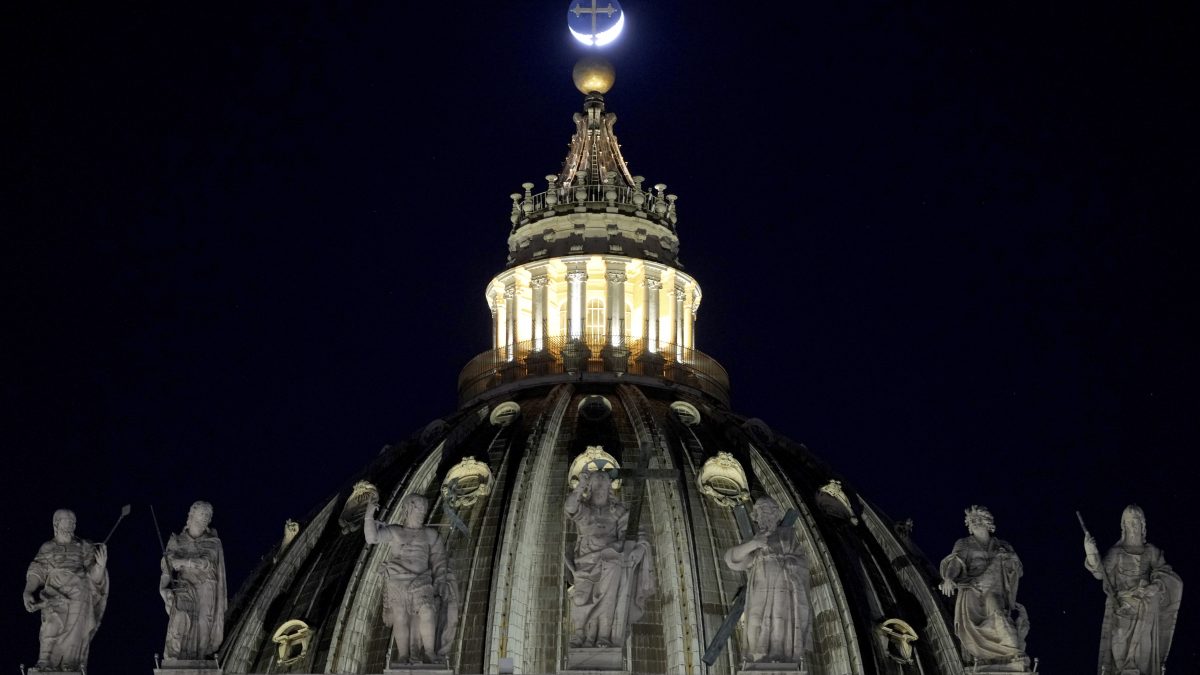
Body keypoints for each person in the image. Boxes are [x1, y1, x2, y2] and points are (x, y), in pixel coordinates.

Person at [1083, 505, 1182, 675]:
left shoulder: (1152, 551)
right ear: (1124, 526)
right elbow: (1100, 573)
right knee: (1119, 644)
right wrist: (1091, 552)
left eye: (1136, 523)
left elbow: (1167, 575)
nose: (1133, 527)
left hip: (1146, 608)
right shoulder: (1116, 553)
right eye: (1129, 523)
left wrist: (1155, 586)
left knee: (1144, 648)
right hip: (1122, 608)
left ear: (1143, 526)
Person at [564, 469, 653, 648]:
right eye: (595, 485)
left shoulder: (618, 512)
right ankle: (580, 635)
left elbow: (634, 533)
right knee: (579, 599)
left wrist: (638, 549)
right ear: (589, 488)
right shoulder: (584, 510)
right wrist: (580, 486)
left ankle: (603, 636)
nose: (599, 489)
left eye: (603, 485)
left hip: (611, 562)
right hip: (585, 562)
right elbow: (570, 508)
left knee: (609, 598)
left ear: (609, 489)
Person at [364, 494, 457, 664]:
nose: (422, 511)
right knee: (400, 617)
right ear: (407, 509)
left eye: (424, 508)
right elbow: (372, 538)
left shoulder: (430, 535)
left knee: (428, 611)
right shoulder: (395, 531)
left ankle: (429, 652)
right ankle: (403, 655)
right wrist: (369, 516)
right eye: (418, 508)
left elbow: (439, 561)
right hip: (397, 581)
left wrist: (441, 581)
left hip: (421, 580)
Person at [723, 497, 812, 664]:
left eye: (771, 511)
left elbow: (802, 562)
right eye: (762, 512)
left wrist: (791, 563)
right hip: (760, 586)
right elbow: (732, 559)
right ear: (756, 516)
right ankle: (758, 656)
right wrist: (753, 544)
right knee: (756, 620)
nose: (767, 515)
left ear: (777, 515)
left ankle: (779, 656)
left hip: (784, 587)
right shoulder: (754, 540)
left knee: (779, 623)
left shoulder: (788, 537)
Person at [938, 505, 1028, 666]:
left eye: (978, 519)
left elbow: (1017, 569)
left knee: (999, 615)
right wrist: (948, 578)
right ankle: (999, 656)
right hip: (973, 590)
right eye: (971, 520)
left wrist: (1008, 558)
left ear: (988, 522)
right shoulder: (964, 543)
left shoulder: (1003, 545)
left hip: (995, 589)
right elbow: (955, 563)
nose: (974, 522)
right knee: (981, 626)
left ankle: (1012, 652)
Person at [23, 509, 110, 671]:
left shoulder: (84, 546)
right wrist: (28, 591)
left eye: (74, 521)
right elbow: (37, 571)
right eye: (67, 520)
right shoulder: (48, 547)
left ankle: (70, 663)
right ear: (56, 523)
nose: (72, 524)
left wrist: (100, 565)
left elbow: (94, 578)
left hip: (80, 593)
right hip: (54, 592)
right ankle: (44, 661)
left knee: (76, 629)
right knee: (51, 624)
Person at [160, 501, 227, 660]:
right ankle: (178, 658)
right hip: (185, 588)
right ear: (191, 516)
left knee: (204, 624)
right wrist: (162, 588)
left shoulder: (213, 543)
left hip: (206, 588)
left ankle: (199, 660)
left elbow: (207, 563)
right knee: (182, 622)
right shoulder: (177, 541)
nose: (204, 519)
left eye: (207, 517)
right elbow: (166, 569)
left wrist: (183, 562)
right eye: (201, 516)